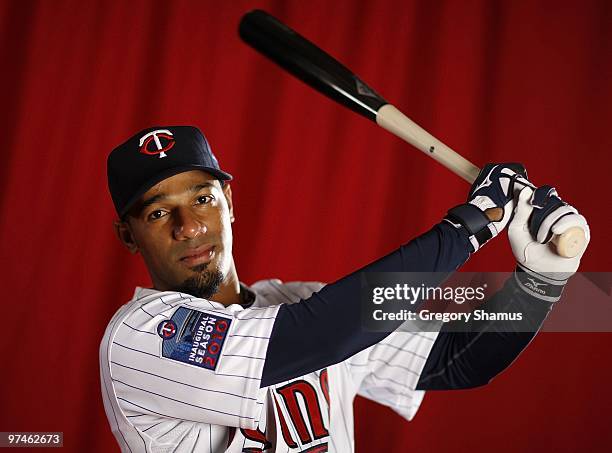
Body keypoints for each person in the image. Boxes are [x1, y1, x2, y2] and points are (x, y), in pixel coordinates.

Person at [100, 126, 589, 452]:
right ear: (128, 235)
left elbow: (457, 360)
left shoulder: (305, 304)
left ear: (228, 202)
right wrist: (467, 229)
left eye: (203, 199)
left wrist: (541, 280)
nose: (188, 227)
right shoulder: (141, 337)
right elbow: (317, 335)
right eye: (158, 212)